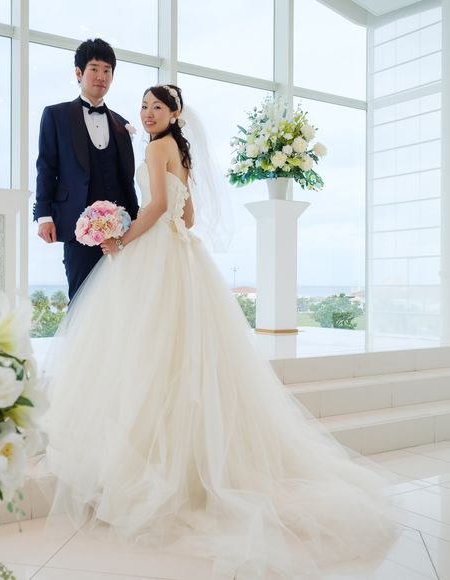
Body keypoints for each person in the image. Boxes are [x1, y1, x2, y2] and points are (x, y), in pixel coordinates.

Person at [44, 84, 397, 579]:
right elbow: (186, 217)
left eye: (157, 107)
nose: (147, 113)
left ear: (174, 113)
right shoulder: (180, 150)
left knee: (147, 351)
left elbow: (156, 207)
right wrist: (149, 224)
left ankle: (149, 467)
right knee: (180, 351)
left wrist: (122, 239)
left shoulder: (156, 148)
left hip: (155, 253)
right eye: (144, 106)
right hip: (184, 255)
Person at [33, 38, 139, 302]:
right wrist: (44, 215)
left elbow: (126, 179)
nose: (101, 76)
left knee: (120, 300)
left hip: (119, 229)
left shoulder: (122, 124)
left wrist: (136, 223)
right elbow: (46, 167)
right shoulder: (56, 115)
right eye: (94, 69)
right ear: (79, 73)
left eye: (107, 70)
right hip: (76, 225)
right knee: (81, 299)